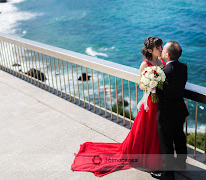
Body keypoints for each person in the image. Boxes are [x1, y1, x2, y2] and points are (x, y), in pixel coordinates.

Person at [71, 36, 165, 176]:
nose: (161, 49)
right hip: (150, 102)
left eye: (161, 47)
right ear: (151, 50)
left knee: (157, 130)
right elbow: (141, 85)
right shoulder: (145, 65)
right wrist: (152, 83)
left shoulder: (161, 60)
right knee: (149, 129)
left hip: (161, 101)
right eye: (158, 48)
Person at [153, 41, 189, 180]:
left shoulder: (163, 72)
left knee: (166, 143)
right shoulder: (183, 67)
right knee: (179, 137)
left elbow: (158, 92)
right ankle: (181, 164)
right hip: (179, 109)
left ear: (166, 55)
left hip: (166, 112)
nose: (161, 51)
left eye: (163, 50)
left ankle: (168, 175)